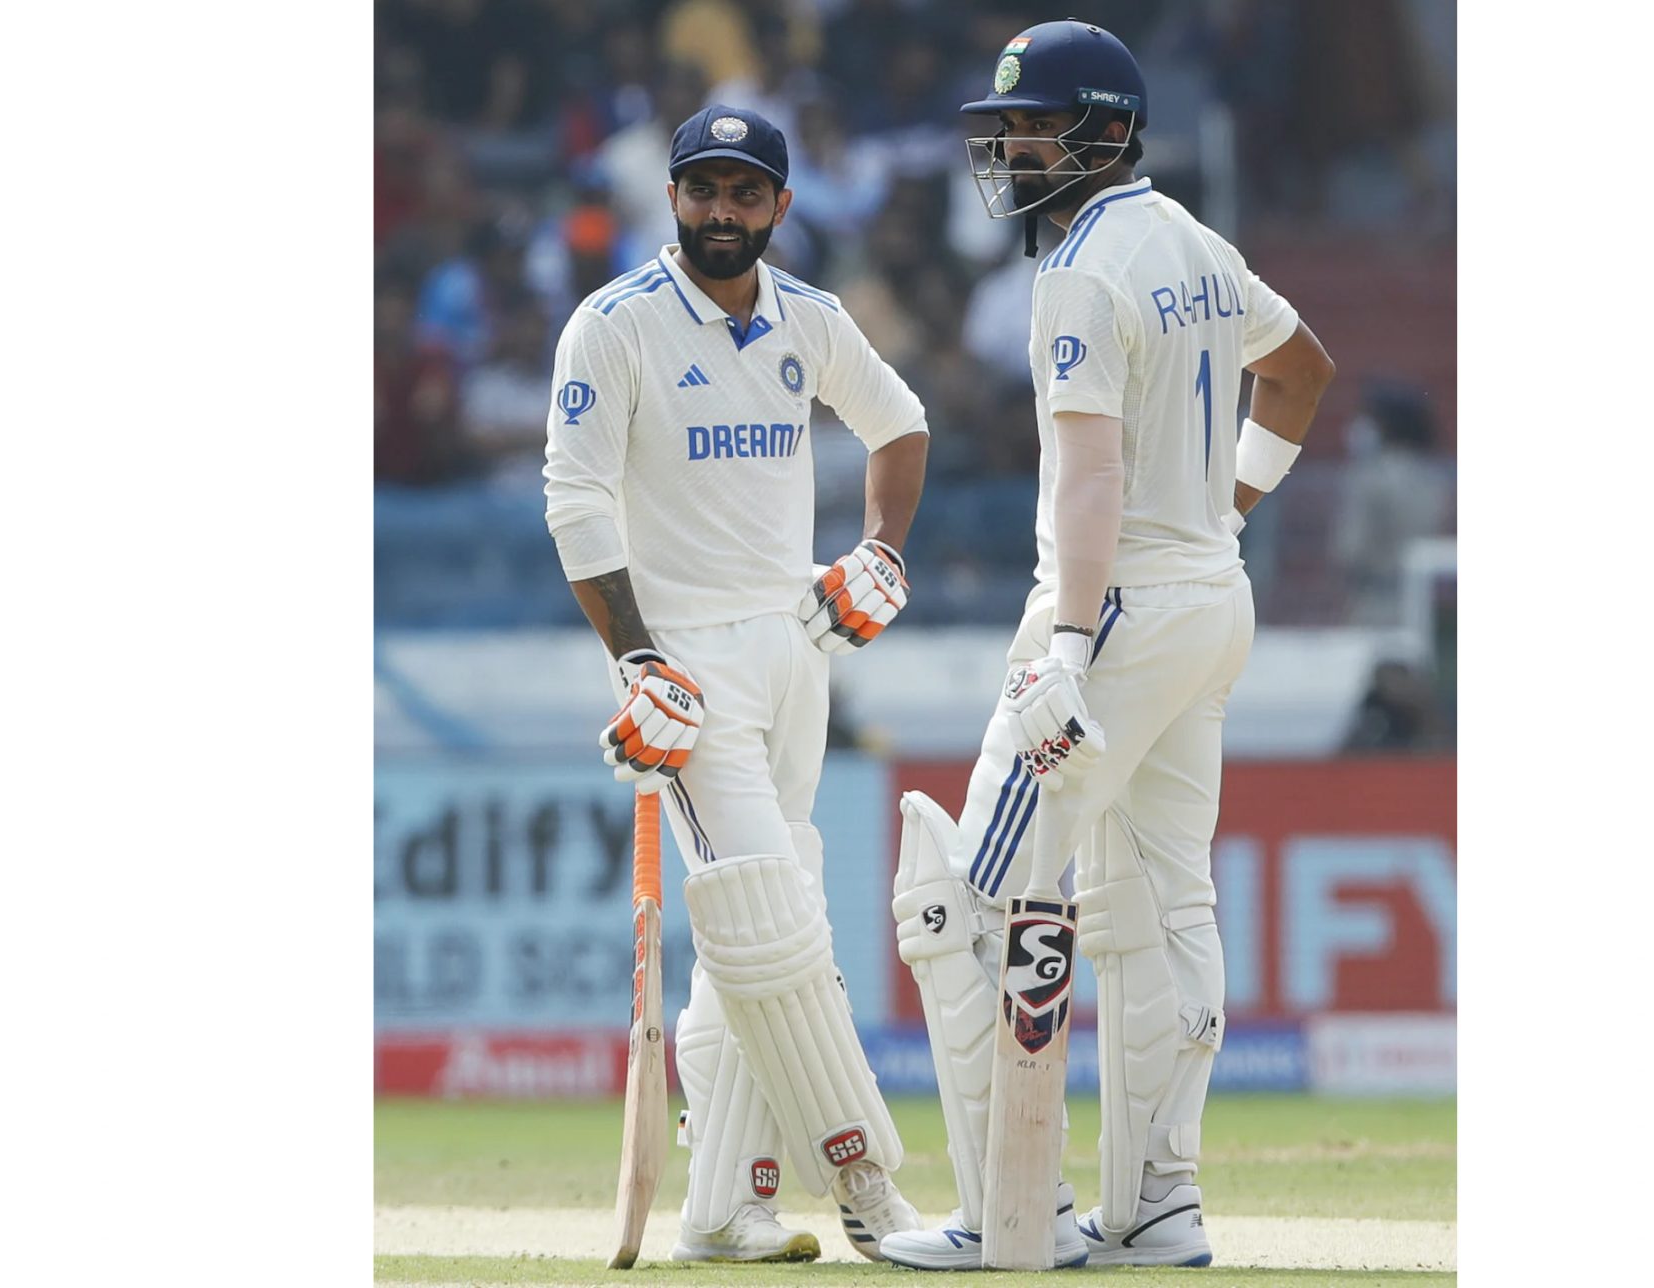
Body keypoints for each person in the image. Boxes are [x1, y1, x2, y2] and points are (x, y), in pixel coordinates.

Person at [878, 20, 1339, 1271]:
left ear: (1109, 130)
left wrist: (1071, 647)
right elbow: (1300, 374)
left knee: (965, 903)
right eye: (1007, 130)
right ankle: (1154, 1208)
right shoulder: (1192, 240)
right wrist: (1224, 511)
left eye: (1038, 127)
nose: (1014, 151)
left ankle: (1009, 1212)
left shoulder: (1080, 272)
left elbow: (1090, 476)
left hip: (1116, 612)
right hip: (1207, 602)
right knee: (1157, 904)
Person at [541, 104, 932, 1264]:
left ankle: (720, 1211)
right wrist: (637, 658)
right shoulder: (614, 324)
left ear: (780, 205)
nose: (722, 211)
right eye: (703, 190)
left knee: (753, 934)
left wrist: (881, 549)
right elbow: (575, 496)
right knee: (772, 918)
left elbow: (900, 424)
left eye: (744, 192)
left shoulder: (811, 317)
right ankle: (868, 1184)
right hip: (688, 667)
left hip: (796, 647)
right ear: (671, 197)